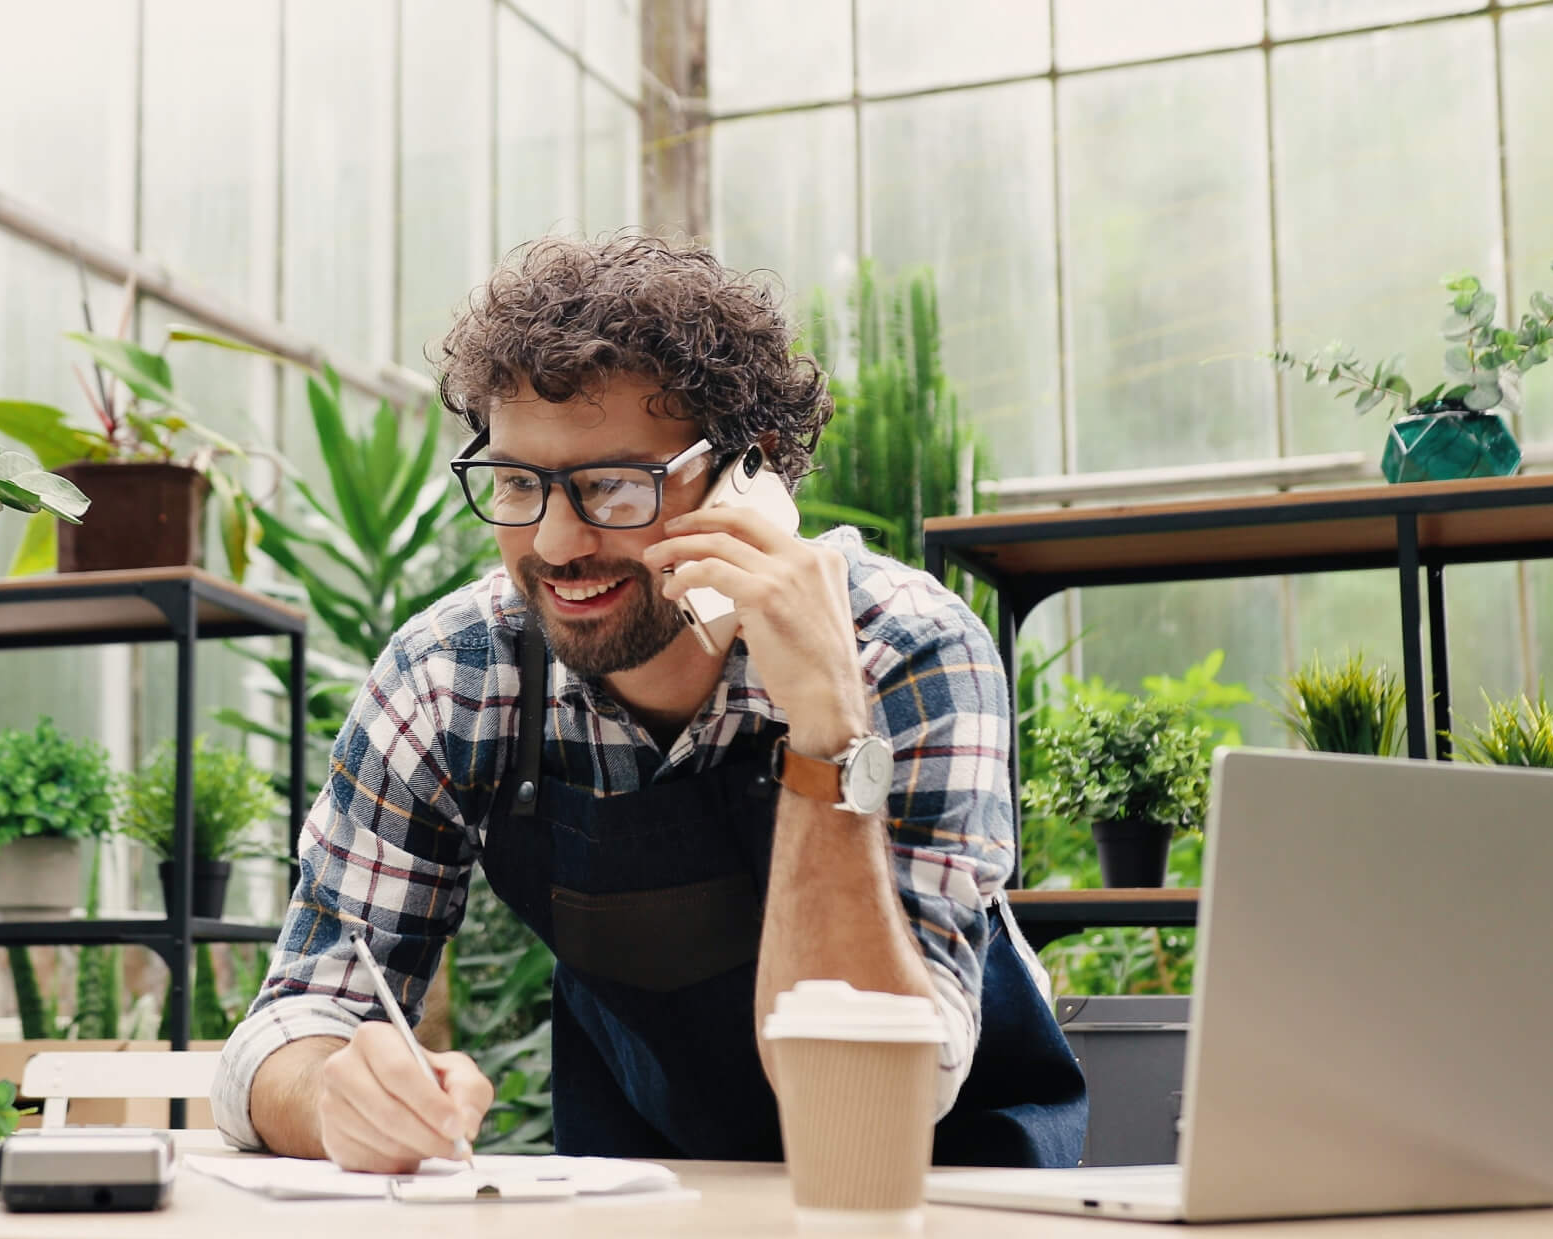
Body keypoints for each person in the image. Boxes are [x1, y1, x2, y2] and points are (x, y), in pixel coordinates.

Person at [213, 234, 1086, 1171]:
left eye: (614, 487)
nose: (553, 543)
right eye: (517, 484)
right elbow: (293, 1022)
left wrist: (828, 727)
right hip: (652, 1197)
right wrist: (334, 1096)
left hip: (944, 1195)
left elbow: (874, 1093)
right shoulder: (454, 677)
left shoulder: (904, 648)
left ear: (751, 475)